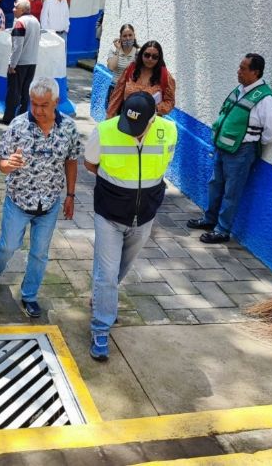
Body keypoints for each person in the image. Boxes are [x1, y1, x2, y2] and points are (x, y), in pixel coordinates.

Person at [84, 92, 177, 361]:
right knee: (107, 273)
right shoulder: (104, 131)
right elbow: (90, 163)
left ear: (153, 120)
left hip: (144, 215)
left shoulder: (169, 131)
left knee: (116, 272)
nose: (132, 132)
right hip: (109, 214)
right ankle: (101, 328)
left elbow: (164, 164)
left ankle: (101, 297)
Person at [0, 77, 81, 318]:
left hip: (49, 204)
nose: (37, 110)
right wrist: (9, 164)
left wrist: (70, 194)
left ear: (56, 102)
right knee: (8, 246)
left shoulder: (68, 128)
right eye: (33, 104)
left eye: (44, 105)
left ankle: (29, 296)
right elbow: (1, 163)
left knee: (39, 253)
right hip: (19, 201)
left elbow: (71, 160)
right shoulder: (18, 126)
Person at [186, 54, 272, 243]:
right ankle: (209, 219)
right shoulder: (240, 90)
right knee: (215, 185)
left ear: (255, 72)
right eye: (239, 67)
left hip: (242, 152)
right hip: (223, 147)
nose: (239, 71)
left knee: (232, 192)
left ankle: (222, 230)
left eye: (243, 68)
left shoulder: (264, 98)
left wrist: (249, 142)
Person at [106, 40, 175, 118]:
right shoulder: (131, 69)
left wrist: (155, 108)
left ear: (159, 58)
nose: (150, 59)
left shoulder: (165, 76)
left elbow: (170, 101)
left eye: (155, 57)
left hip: (151, 123)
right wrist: (109, 116)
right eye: (147, 55)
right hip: (127, 119)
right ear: (141, 54)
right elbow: (117, 95)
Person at [0, 0, 40, 125]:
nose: (13, 9)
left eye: (15, 7)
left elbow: (17, 46)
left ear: (22, 10)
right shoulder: (36, 21)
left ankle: (9, 118)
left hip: (20, 63)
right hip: (32, 62)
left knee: (13, 92)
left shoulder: (20, 23)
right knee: (25, 92)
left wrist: (12, 64)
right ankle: (22, 118)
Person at [104, 24, 138, 110]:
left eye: (130, 35)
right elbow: (111, 67)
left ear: (134, 36)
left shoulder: (139, 53)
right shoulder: (114, 50)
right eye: (125, 36)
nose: (128, 38)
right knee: (111, 118)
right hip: (115, 88)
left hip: (130, 91)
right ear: (120, 37)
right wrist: (118, 50)